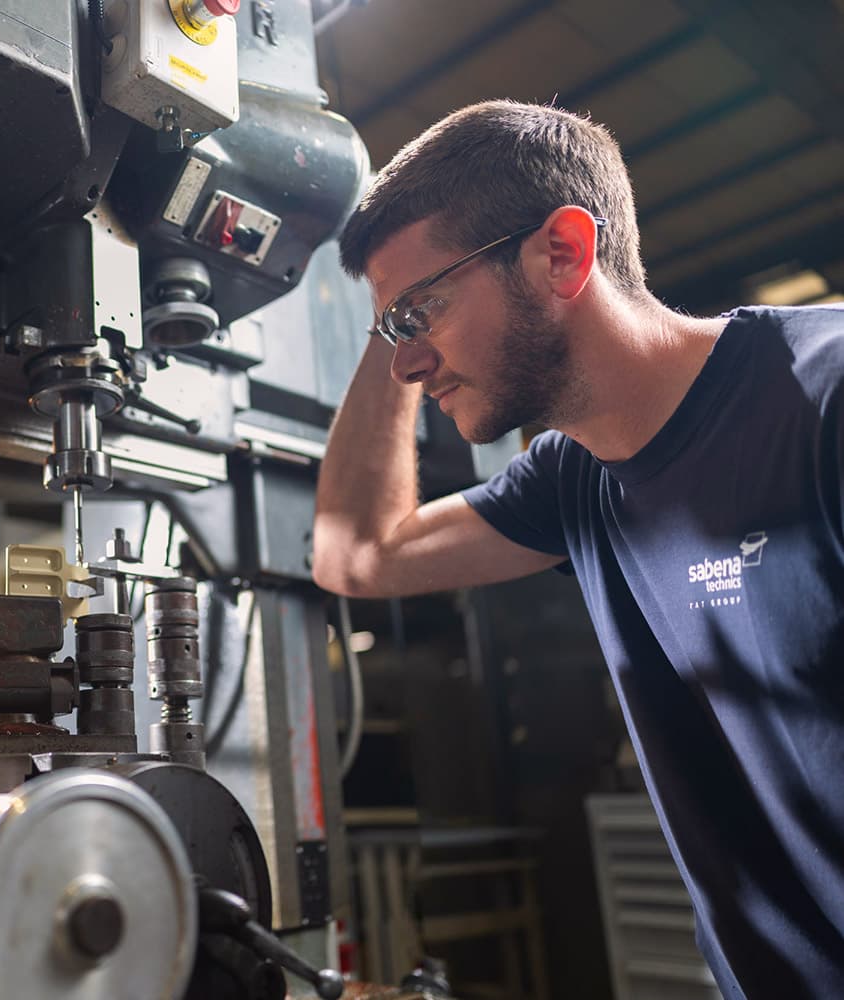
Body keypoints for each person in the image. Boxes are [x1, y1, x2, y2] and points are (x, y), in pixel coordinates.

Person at [312, 99, 844, 997]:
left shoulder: (823, 395)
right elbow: (355, 556)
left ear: (562, 253)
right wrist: (394, 315)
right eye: (393, 330)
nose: (406, 364)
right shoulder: (575, 481)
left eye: (422, 312)